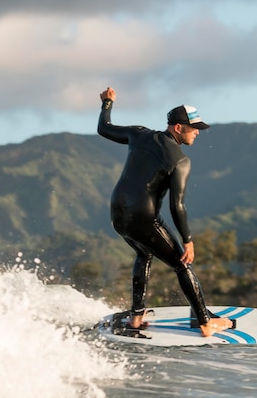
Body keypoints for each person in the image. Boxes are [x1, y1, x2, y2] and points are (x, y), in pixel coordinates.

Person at [97, 87, 233, 337]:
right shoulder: (180, 160)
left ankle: (136, 316)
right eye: (194, 129)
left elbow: (104, 128)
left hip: (118, 214)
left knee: (144, 252)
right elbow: (177, 205)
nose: (197, 134)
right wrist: (187, 240)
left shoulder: (139, 135)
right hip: (144, 218)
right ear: (178, 127)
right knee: (182, 264)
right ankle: (205, 322)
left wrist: (107, 103)